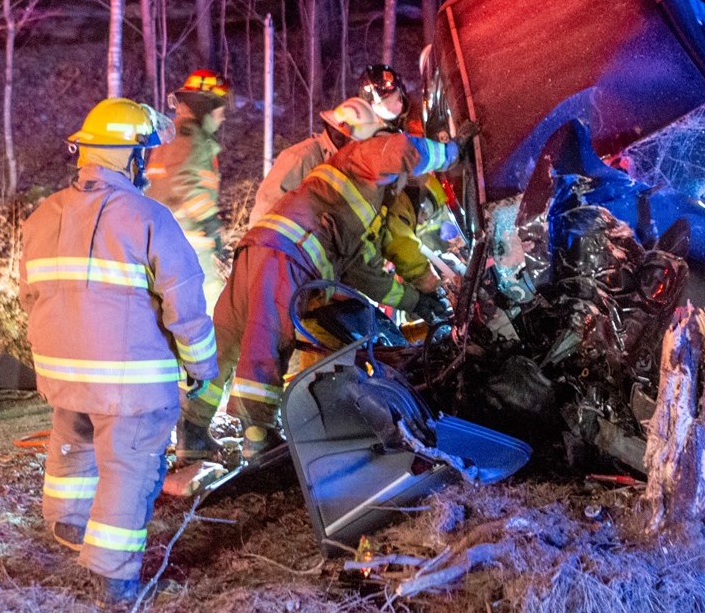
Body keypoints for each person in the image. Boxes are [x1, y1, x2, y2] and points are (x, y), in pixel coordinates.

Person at [18, 97, 218, 609]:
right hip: (131, 387)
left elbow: (29, 295)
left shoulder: (43, 214)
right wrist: (201, 367)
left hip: (65, 379)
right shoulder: (148, 216)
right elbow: (185, 301)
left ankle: (66, 529)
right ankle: (113, 579)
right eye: (142, 154)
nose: (146, 164)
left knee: (74, 445)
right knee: (130, 468)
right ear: (125, 156)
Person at [195, 120, 477, 457]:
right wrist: (453, 153)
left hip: (260, 248)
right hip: (288, 255)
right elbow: (403, 150)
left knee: (223, 341)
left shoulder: (363, 207)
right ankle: (257, 437)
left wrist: (417, 301)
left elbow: (365, 274)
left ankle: (190, 433)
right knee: (267, 342)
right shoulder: (362, 158)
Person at [248, 64, 407, 225]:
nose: (397, 107)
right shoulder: (302, 158)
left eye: (398, 100)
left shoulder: (361, 165)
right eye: (389, 103)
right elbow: (261, 223)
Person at [144, 69, 230, 311]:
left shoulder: (173, 134)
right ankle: (216, 349)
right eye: (220, 111)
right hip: (187, 236)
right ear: (205, 107)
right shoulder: (191, 137)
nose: (222, 119)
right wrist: (211, 223)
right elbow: (186, 182)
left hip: (165, 234)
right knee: (210, 301)